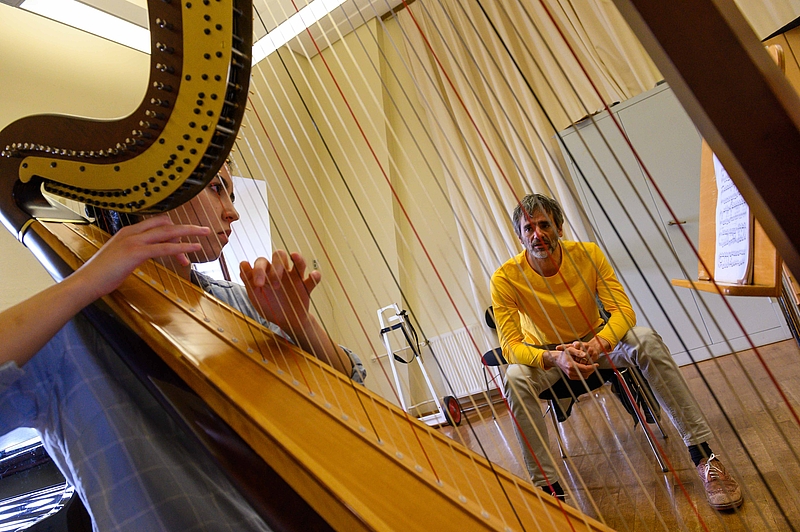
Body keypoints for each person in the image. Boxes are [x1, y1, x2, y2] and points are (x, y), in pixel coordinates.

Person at [0, 164, 364, 531]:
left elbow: (351, 391)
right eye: (217, 189)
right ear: (153, 196)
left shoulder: (240, 303)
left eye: (232, 196)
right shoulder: (68, 332)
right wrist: (85, 281)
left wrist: (300, 325)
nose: (233, 212)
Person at [490, 193, 742, 511]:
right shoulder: (505, 278)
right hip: (549, 355)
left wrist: (599, 344)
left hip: (596, 341)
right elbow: (510, 346)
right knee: (514, 378)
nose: (537, 234)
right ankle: (549, 490)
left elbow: (623, 311)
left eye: (545, 225)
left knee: (646, 340)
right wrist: (554, 357)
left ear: (560, 228)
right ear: (520, 236)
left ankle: (704, 457)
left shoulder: (588, 255)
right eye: (529, 228)